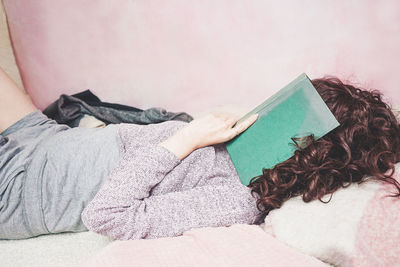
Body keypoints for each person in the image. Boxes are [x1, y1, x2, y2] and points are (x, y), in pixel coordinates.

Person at [1, 67, 399, 241]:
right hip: (48, 138)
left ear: (311, 153)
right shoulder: (245, 145)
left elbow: (107, 217)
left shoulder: (238, 200)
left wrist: (184, 140)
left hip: (23, 187)